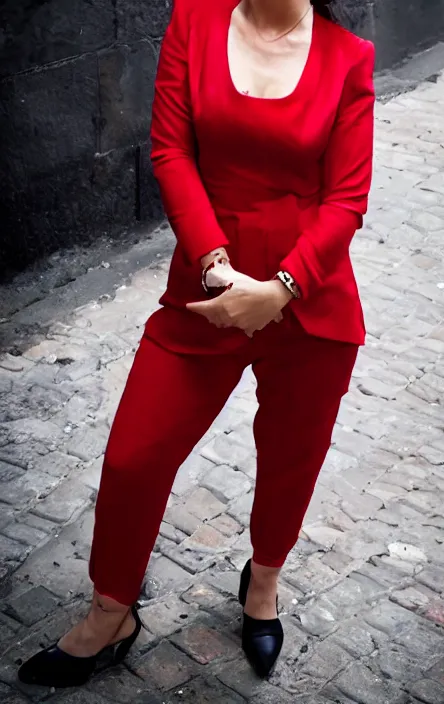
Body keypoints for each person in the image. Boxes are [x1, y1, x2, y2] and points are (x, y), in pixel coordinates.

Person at [18, 0, 375, 686]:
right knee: (132, 457)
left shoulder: (347, 58)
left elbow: (347, 198)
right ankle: (111, 612)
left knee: (291, 458)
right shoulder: (196, 19)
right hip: (205, 290)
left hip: (306, 298)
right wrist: (216, 267)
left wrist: (281, 289)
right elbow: (171, 147)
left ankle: (263, 584)